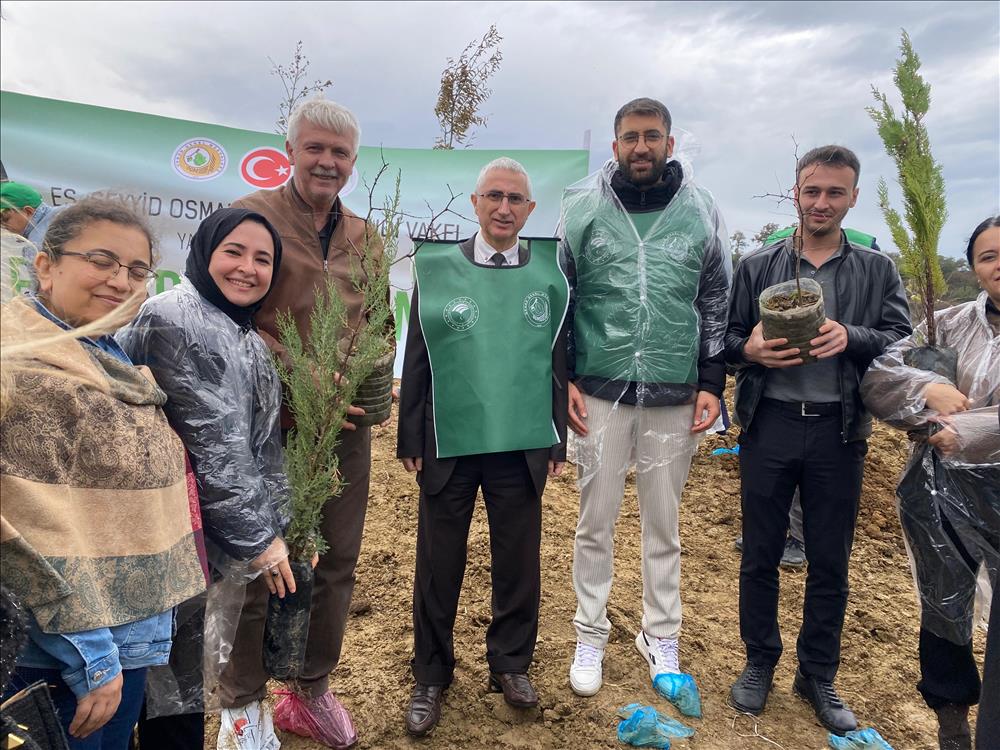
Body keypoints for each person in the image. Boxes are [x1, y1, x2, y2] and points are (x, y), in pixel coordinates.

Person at [0, 197, 207, 749]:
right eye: (101, 260)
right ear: (46, 265)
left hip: (124, 637)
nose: (121, 280)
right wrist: (91, 656)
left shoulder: (102, 354)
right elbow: (24, 533)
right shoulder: (26, 373)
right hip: (62, 658)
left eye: (137, 269)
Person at [724, 145, 912, 734]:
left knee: (830, 559)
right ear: (797, 193)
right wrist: (749, 350)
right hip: (770, 424)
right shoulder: (758, 266)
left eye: (835, 192)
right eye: (812, 191)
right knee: (760, 554)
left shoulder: (876, 270)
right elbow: (726, 340)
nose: (821, 203)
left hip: (839, 430)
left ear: (853, 197)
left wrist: (850, 336)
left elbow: (900, 342)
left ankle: (818, 673)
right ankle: (759, 662)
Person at [560, 97, 731, 697]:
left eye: (651, 136)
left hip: (674, 392)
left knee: (665, 525)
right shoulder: (582, 209)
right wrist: (567, 380)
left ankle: (661, 635)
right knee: (594, 520)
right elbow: (565, 295)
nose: (640, 147)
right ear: (615, 146)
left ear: (669, 143)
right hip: (601, 389)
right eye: (630, 137)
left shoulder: (700, 211)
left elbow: (715, 299)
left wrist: (712, 381)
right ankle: (590, 631)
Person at [228, 97, 384, 749]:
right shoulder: (250, 218)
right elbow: (219, 314)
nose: (327, 162)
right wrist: (297, 368)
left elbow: (380, 324)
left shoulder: (366, 236)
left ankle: (310, 689)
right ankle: (242, 702)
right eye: (315, 148)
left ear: (353, 162)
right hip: (263, 424)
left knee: (337, 559)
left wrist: (372, 404)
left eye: (340, 152)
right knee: (258, 559)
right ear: (291, 150)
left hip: (340, 433)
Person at [397, 157, 569, 737]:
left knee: (518, 560)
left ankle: (511, 664)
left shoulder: (549, 275)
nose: (503, 207)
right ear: (474, 203)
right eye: (493, 196)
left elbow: (555, 360)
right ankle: (430, 675)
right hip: (449, 442)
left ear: (530, 210)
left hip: (521, 446)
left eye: (515, 199)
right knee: (438, 562)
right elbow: (416, 355)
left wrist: (557, 439)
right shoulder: (439, 269)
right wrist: (410, 435)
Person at [118, 208, 292, 750]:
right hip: (153, 530)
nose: (247, 268)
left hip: (199, 535)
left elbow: (262, 447)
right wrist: (260, 540)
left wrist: (282, 524)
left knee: (179, 675)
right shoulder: (174, 319)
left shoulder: (246, 337)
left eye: (262, 259)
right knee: (146, 673)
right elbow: (214, 447)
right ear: (205, 253)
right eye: (233, 252)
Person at [861, 216, 1000, 750]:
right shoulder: (948, 324)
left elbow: (967, 430)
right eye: (987, 257)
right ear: (973, 267)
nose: (997, 266)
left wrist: (963, 430)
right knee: (944, 606)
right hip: (940, 490)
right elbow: (880, 378)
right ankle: (951, 719)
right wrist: (927, 390)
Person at [0, 181, 62, 261]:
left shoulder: (35, 248)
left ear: (28, 211)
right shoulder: (74, 211)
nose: (2, 226)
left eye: (4, 219)